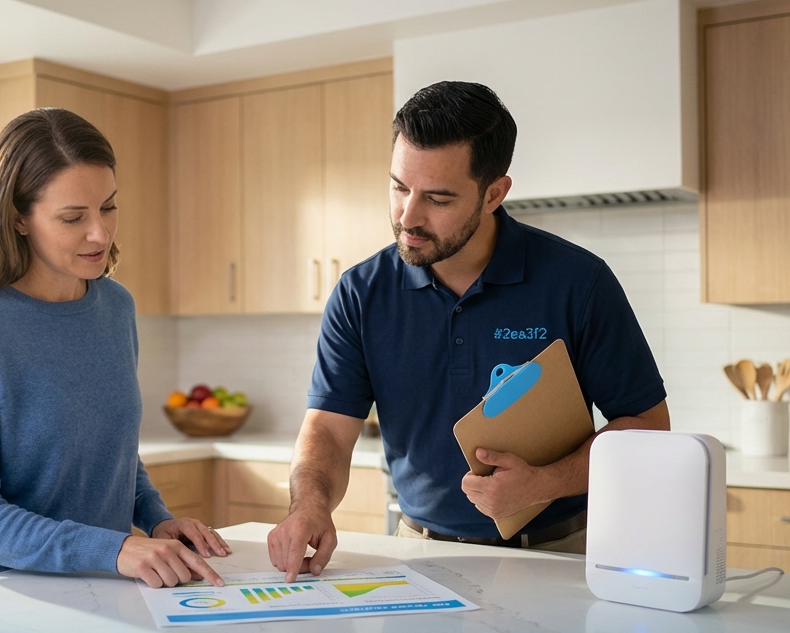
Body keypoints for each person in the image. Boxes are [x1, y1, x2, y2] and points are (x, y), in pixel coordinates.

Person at [268, 82, 669, 580]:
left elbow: (648, 429)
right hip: (414, 553)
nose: (407, 217)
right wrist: (309, 505)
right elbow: (328, 427)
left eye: (437, 198)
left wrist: (543, 483)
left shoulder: (578, 283)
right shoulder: (361, 293)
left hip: (558, 554)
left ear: (494, 194)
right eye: (399, 187)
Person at [0, 107, 230, 589]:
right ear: (17, 218)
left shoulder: (115, 307)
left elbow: (110, 453)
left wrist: (155, 519)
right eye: (72, 217)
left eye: (108, 207)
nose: (99, 233)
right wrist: (116, 548)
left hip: (90, 585)